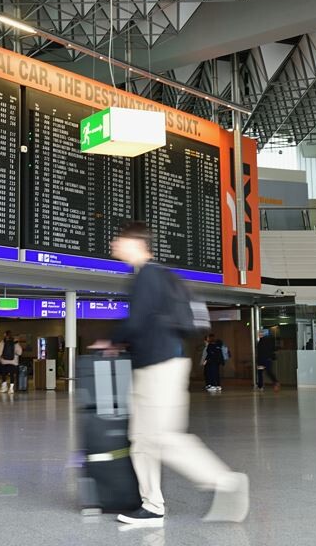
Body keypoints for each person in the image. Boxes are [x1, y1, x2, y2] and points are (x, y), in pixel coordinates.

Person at [98, 221, 249, 527]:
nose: (114, 245)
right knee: (141, 439)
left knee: (163, 438)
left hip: (162, 367)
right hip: (149, 366)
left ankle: (226, 481)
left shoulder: (149, 276)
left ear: (135, 243)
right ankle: (152, 505)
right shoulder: (147, 277)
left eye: (119, 240)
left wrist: (111, 340)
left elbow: (137, 320)